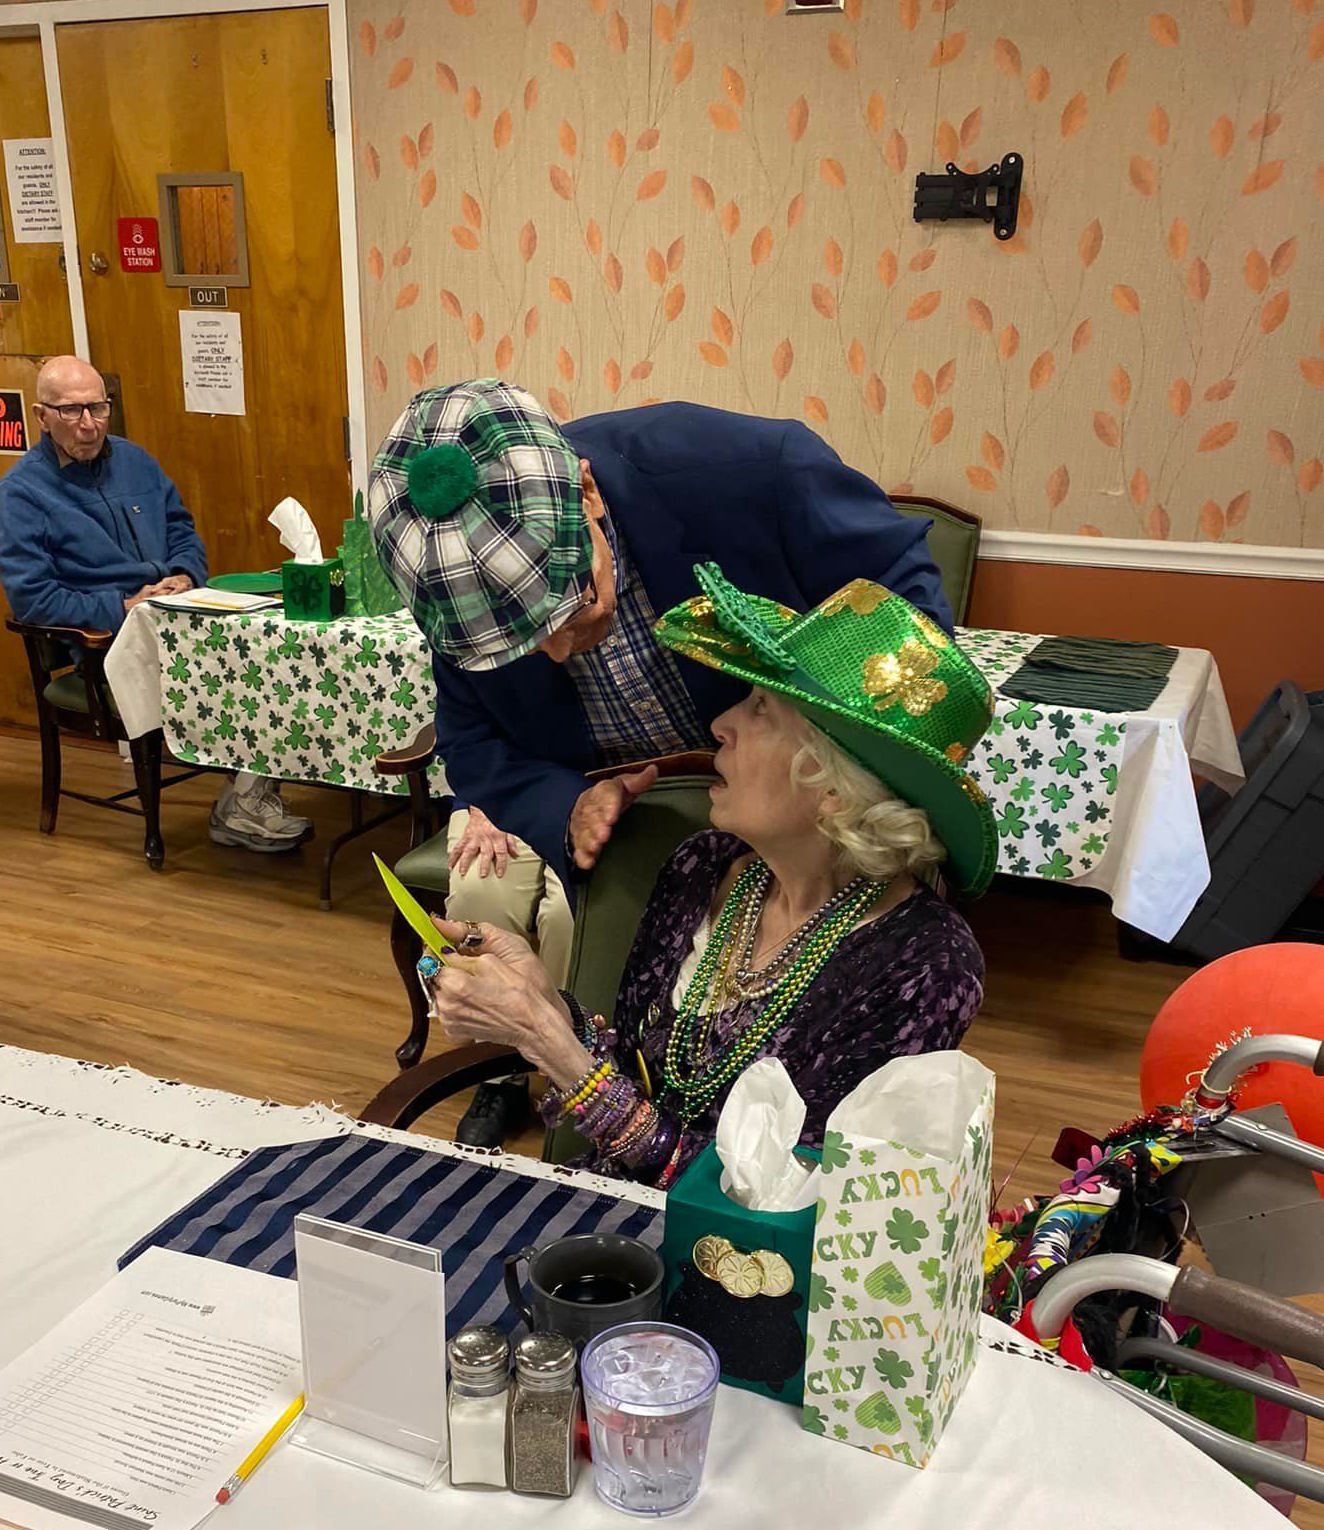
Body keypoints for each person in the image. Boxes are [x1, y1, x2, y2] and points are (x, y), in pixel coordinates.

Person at [370, 380, 950, 1149]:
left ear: (587, 495)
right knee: (668, 1044)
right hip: (648, 834)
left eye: (571, 605)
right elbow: (472, 738)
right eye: (518, 645)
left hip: (821, 815)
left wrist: (859, 769)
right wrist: (564, 807)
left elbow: (904, 616)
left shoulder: (749, 472)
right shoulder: (459, 588)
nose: (555, 650)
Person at [417, 566, 994, 1189]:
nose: (723, 723)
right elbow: (640, 1075)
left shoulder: (923, 965)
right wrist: (543, 1000)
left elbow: (789, 1197)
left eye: (762, 709)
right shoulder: (704, 865)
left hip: (745, 1272)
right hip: (608, 1223)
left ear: (833, 788)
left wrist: (548, 1042)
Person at [0, 355, 310, 854]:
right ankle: (243, 804)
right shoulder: (21, 493)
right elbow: (32, 597)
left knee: (280, 651)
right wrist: (122, 604)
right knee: (245, 673)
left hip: (180, 613)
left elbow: (182, 528)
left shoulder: (135, 460)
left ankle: (247, 795)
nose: (89, 424)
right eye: (72, 412)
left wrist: (185, 574)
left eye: (98, 408)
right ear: (41, 415)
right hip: (107, 641)